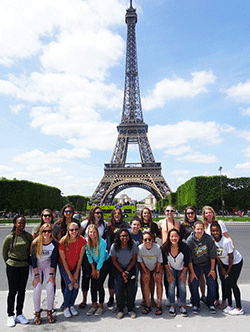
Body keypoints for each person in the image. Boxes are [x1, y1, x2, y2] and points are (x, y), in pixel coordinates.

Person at [2, 215, 33, 327]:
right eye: (19, 223)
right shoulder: (10, 237)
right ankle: (10, 315)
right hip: (13, 266)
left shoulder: (28, 236)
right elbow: (4, 253)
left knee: (22, 291)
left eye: (23, 223)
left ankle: (19, 313)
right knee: (12, 291)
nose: (22, 225)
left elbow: (33, 246)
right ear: (15, 223)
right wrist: (9, 263)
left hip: (24, 265)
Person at [202, 205, 234, 307]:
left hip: (219, 255)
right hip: (210, 255)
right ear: (204, 215)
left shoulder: (219, 223)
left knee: (223, 277)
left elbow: (227, 236)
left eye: (210, 212)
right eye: (206, 213)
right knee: (212, 278)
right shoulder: (205, 225)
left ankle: (224, 299)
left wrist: (231, 245)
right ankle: (216, 298)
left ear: (213, 213)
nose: (208, 214)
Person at [210, 223, 244, 315]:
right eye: (213, 231)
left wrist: (228, 271)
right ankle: (229, 305)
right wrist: (222, 268)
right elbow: (217, 256)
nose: (215, 232)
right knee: (226, 283)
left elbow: (231, 257)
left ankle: (239, 307)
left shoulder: (226, 241)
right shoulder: (213, 241)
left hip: (235, 263)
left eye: (217, 230)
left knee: (232, 283)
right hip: (224, 264)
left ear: (220, 231)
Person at [53, 204, 81, 308]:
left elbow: (80, 235)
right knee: (65, 280)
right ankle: (66, 301)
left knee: (75, 280)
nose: (68, 213)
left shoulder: (76, 223)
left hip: (74, 254)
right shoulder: (58, 224)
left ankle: (70, 303)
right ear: (63, 212)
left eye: (70, 211)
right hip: (63, 254)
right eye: (66, 211)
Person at [79, 206, 107, 309]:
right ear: (92, 213)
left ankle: (97, 302)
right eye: (96, 212)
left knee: (96, 279)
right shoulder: (85, 223)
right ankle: (84, 299)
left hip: (98, 254)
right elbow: (77, 234)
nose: (98, 214)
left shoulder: (104, 224)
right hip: (88, 253)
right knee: (86, 276)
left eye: (100, 213)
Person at [187, 221, 217, 314]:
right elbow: (189, 259)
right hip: (195, 264)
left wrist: (212, 270)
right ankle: (196, 304)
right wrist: (192, 272)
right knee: (194, 282)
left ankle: (210, 303)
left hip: (207, 263)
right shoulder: (190, 241)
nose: (200, 231)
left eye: (201, 229)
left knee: (211, 281)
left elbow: (212, 256)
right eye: (198, 229)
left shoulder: (208, 239)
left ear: (204, 229)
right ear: (194, 229)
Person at [31, 224, 58, 324]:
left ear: (51, 232)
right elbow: (33, 260)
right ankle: (37, 313)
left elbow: (54, 260)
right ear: (40, 232)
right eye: (44, 231)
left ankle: (49, 312)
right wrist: (36, 276)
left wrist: (51, 275)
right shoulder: (36, 242)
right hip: (37, 265)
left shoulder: (54, 243)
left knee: (50, 287)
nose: (46, 233)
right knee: (37, 288)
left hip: (48, 264)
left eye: (49, 231)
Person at [58, 222, 86, 318]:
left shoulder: (82, 240)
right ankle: (66, 307)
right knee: (70, 284)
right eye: (71, 230)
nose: (74, 231)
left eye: (76, 229)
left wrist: (76, 272)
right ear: (68, 231)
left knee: (76, 284)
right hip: (64, 265)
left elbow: (80, 258)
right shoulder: (62, 242)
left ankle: (71, 305)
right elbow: (63, 260)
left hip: (75, 264)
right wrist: (70, 275)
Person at [110, 228, 138, 319]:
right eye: (122, 236)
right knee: (120, 288)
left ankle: (130, 309)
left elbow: (134, 260)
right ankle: (121, 310)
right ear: (119, 237)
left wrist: (126, 272)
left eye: (126, 235)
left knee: (130, 289)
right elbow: (114, 261)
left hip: (130, 267)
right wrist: (122, 272)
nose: (124, 237)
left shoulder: (133, 245)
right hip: (118, 268)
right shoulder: (114, 246)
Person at [162, 229, 190, 317]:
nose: (174, 238)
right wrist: (170, 275)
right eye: (172, 236)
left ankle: (182, 305)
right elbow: (165, 263)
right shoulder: (164, 248)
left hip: (182, 268)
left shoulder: (185, 247)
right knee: (171, 285)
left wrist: (182, 275)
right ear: (169, 237)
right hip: (170, 268)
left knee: (182, 285)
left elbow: (187, 262)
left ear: (179, 237)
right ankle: (172, 305)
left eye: (176, 236)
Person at [106, 207, 130, 307]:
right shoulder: (109, 225)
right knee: (112, 278)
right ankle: (111, 297)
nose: (117, 215)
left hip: (123, 254)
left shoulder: (125, 225)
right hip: (112, 255)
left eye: (119, 214)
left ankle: (122, 298)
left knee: (123, 278)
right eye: (115, 213)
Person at [85, 225, 110, 316]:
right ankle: (94, 304)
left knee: (99, 283)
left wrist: (98, 270)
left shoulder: (102, 242)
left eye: (94, 232)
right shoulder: (87, 242)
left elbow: (102, 257)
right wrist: (93, 269)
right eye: (90, 232)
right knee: (93, 284)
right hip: (95, 263)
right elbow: (89, 256)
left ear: (97, 233)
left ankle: (101, 305)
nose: (92, 234)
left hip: (104, 263)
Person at [158, 205, 181, 303]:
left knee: (178, 275)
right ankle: (168, 296)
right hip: (165, 251)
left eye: (172, 211)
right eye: (167, 210)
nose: (169, 212)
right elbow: (159, 234)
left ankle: (179, 296)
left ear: (174, 212)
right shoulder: (161, 223)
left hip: (176, 249)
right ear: (164, 211)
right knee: (167, 275)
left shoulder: (178, 222)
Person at [138, 232, 163, 315]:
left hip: (157, 265)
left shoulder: (157, 247)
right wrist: (146, 272)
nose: (147, 241)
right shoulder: (140, 248)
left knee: (158, 280)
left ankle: (159, 306)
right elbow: (140, 261)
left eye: (149, 239)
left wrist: (157, 271)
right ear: (142, 240)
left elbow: (160, 260)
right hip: (146, 266)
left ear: (152, 239)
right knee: (145, 280)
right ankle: (147, 305)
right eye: (145, 240)